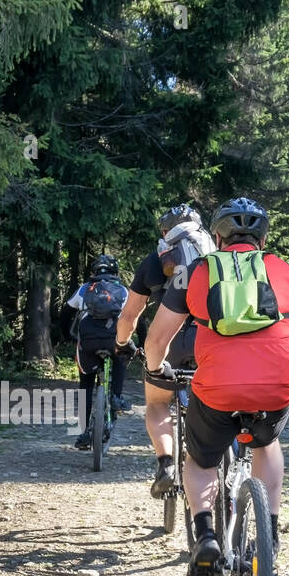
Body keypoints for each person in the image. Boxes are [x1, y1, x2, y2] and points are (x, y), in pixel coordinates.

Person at [143, 197, 289, 576]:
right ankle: (269, 540)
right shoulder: (287, 272)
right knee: (267, 443)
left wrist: (156, 368)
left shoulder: (196, 272)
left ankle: (206, 536)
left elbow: (158, 338)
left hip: (217, 390)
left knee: (201, 460)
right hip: (276, 387)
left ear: (216, 236)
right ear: (263, 237)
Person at [115, 204, 214, 498]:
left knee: (158, 403)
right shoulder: (216, 256)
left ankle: (166, 465)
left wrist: (122, 344)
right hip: (210, 340)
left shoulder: (153, 262)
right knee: (221, 403)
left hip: (168, 340)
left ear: (164, 232)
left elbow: (129, 316)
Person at [64, 254, 133, 450]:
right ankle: (116, 396)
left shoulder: (84, 290)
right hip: (113, 338)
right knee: (121, 355)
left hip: (88, 341)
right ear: (115, 272)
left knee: (85, 383)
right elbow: (137, 318)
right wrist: (141, 341)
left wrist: (67, 335)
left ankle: (85, 432)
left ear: (93, 271)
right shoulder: (123, 291)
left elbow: (66, 313)